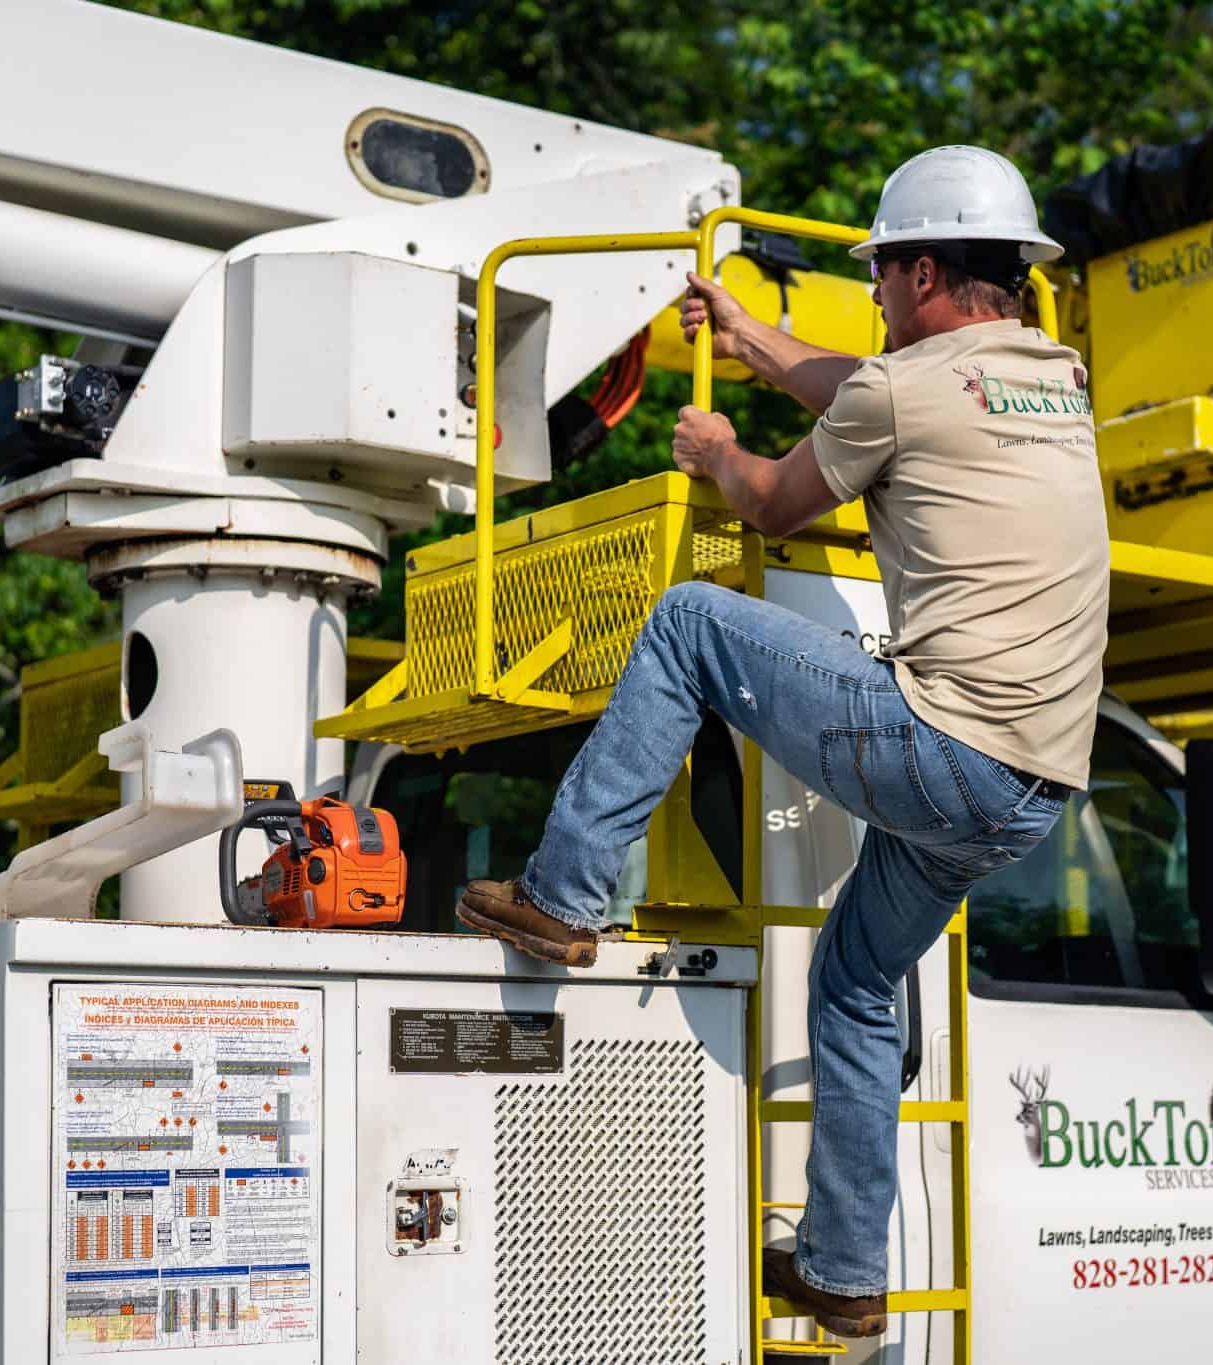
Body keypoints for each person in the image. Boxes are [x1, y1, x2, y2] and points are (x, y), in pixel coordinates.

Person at [458, 145, 1109, 1337]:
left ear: (921, 274)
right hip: (1029, 789)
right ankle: (844, 1270)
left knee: (689, 622)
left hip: (943, 746)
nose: (873, 295)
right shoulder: (1052, 382)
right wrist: (748, 335)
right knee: (854, 979)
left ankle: (562, 897)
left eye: (878, 275)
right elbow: (872, 387)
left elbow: (770, 501)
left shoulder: (903, 390)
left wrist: (715, 454)